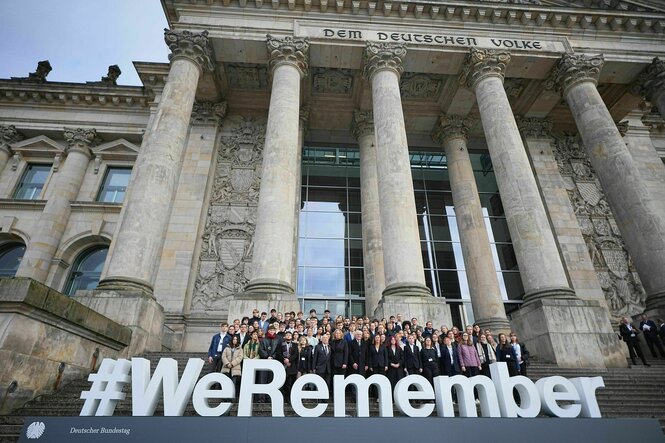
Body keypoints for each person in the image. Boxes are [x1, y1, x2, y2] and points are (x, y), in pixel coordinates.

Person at [258, 325, 280, 401]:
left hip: (273, 363)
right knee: (262, 380)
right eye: (270, 330)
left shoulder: (277, 340)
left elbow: (278, 350)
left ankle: (269, 398)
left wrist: (273, 357)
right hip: (264, 362)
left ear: (275, 331)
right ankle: (262, 398)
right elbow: (261, 349)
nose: (271, 331)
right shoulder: (263, 340)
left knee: (271, 380)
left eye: (273, 330)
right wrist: (267, 356)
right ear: (268, 331)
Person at [279, 331, 298, 400]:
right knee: (282, 383)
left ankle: (289, 398)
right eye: (287, 335)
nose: (288, 336)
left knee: (290, 383)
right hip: (282, 365)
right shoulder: (280, 344)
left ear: (292, 336)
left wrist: (289, 360)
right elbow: (278, 353)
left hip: (291, 366)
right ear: (284, 336)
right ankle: (282, 397)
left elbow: (295, 355)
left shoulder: (295, 345)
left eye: (290, 335)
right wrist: (284, 360)